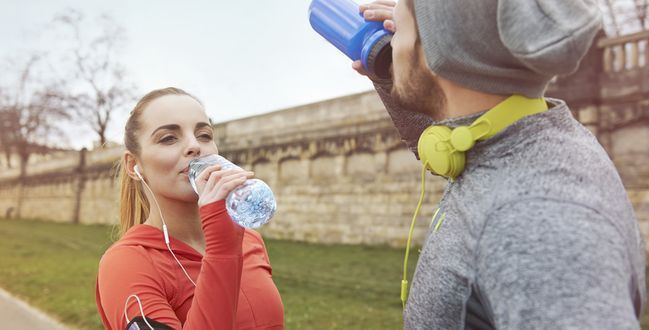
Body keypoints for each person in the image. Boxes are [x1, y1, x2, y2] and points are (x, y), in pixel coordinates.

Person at [353, 0, 646, 328]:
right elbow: (454, 139)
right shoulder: (520, 143)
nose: (392, 42)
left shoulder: (537, 221)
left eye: (401, 28)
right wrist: (398, 71)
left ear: (438, 50)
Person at [95, 87, 284, 329]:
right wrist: (222, 250)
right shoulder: (125, 264)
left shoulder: (249, 240)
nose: (195, 146)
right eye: (169, 138)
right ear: (134, 165)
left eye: (204, 135)